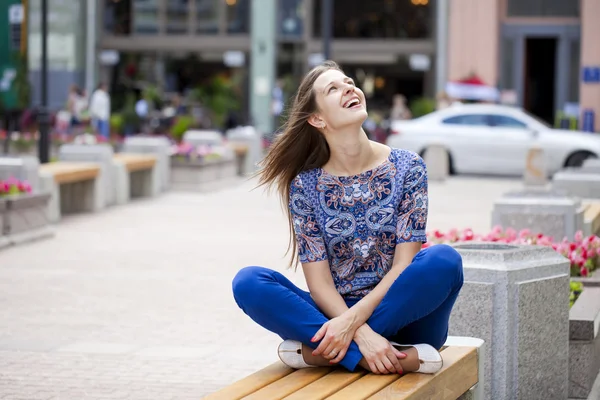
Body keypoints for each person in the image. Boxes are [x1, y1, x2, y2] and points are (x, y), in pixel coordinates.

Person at [232, 61, 463, 375]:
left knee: (444, 260)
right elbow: (321, 285)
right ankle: (379, 356)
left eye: (348, 83)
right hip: (335, 312)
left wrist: (351, 325)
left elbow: (403, 266)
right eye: (333, 89)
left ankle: (320, 354)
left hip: (407, 317)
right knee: (249, 283)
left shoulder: (409, 167)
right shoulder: (305, 185)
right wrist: (362, 337)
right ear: (317, 118)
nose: (349, 89)